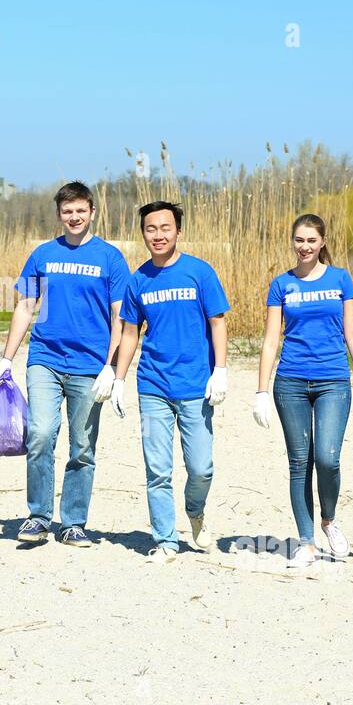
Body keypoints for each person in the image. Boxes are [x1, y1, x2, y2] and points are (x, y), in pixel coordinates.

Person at [0, 181, 129, 548]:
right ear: (59, 215)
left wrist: (113, 369)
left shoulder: (110, 258)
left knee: (82, 447)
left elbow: (121, 317)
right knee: (39, 433)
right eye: (67, 211)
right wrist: (6, 359)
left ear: (92, 212)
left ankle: (73, 522)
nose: (74, 217)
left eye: (80, 210)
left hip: (90, 366)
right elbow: (25, 306)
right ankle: (38, 516)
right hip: (45, 359)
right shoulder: (42, 254)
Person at [253, 214, 353, 567]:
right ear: (292, 242)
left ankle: (329, 520)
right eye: (298, 240)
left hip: (333, 381)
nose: (304, 246)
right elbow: (270, 340)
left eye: (311, 240)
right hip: (290, 381)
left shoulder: (340, 279)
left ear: (322, 242)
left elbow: (352, 332)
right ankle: (306, 541)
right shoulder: (281, 284)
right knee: (299, 462)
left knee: (327, 458)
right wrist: (261, 390)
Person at [112, 201, 230, 562]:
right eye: (151, 229)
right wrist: (118, 378)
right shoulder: (138, 280)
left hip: (196, 386)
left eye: (165, 228)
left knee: (201, 468)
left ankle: (195, 511)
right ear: (143, 233)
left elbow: (218, 322)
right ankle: (165, 540)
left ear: (178, 231)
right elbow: (130, 332)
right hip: (153, 386)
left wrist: (220, 370)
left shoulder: (200, 273)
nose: (158, 235)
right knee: (158, 470)